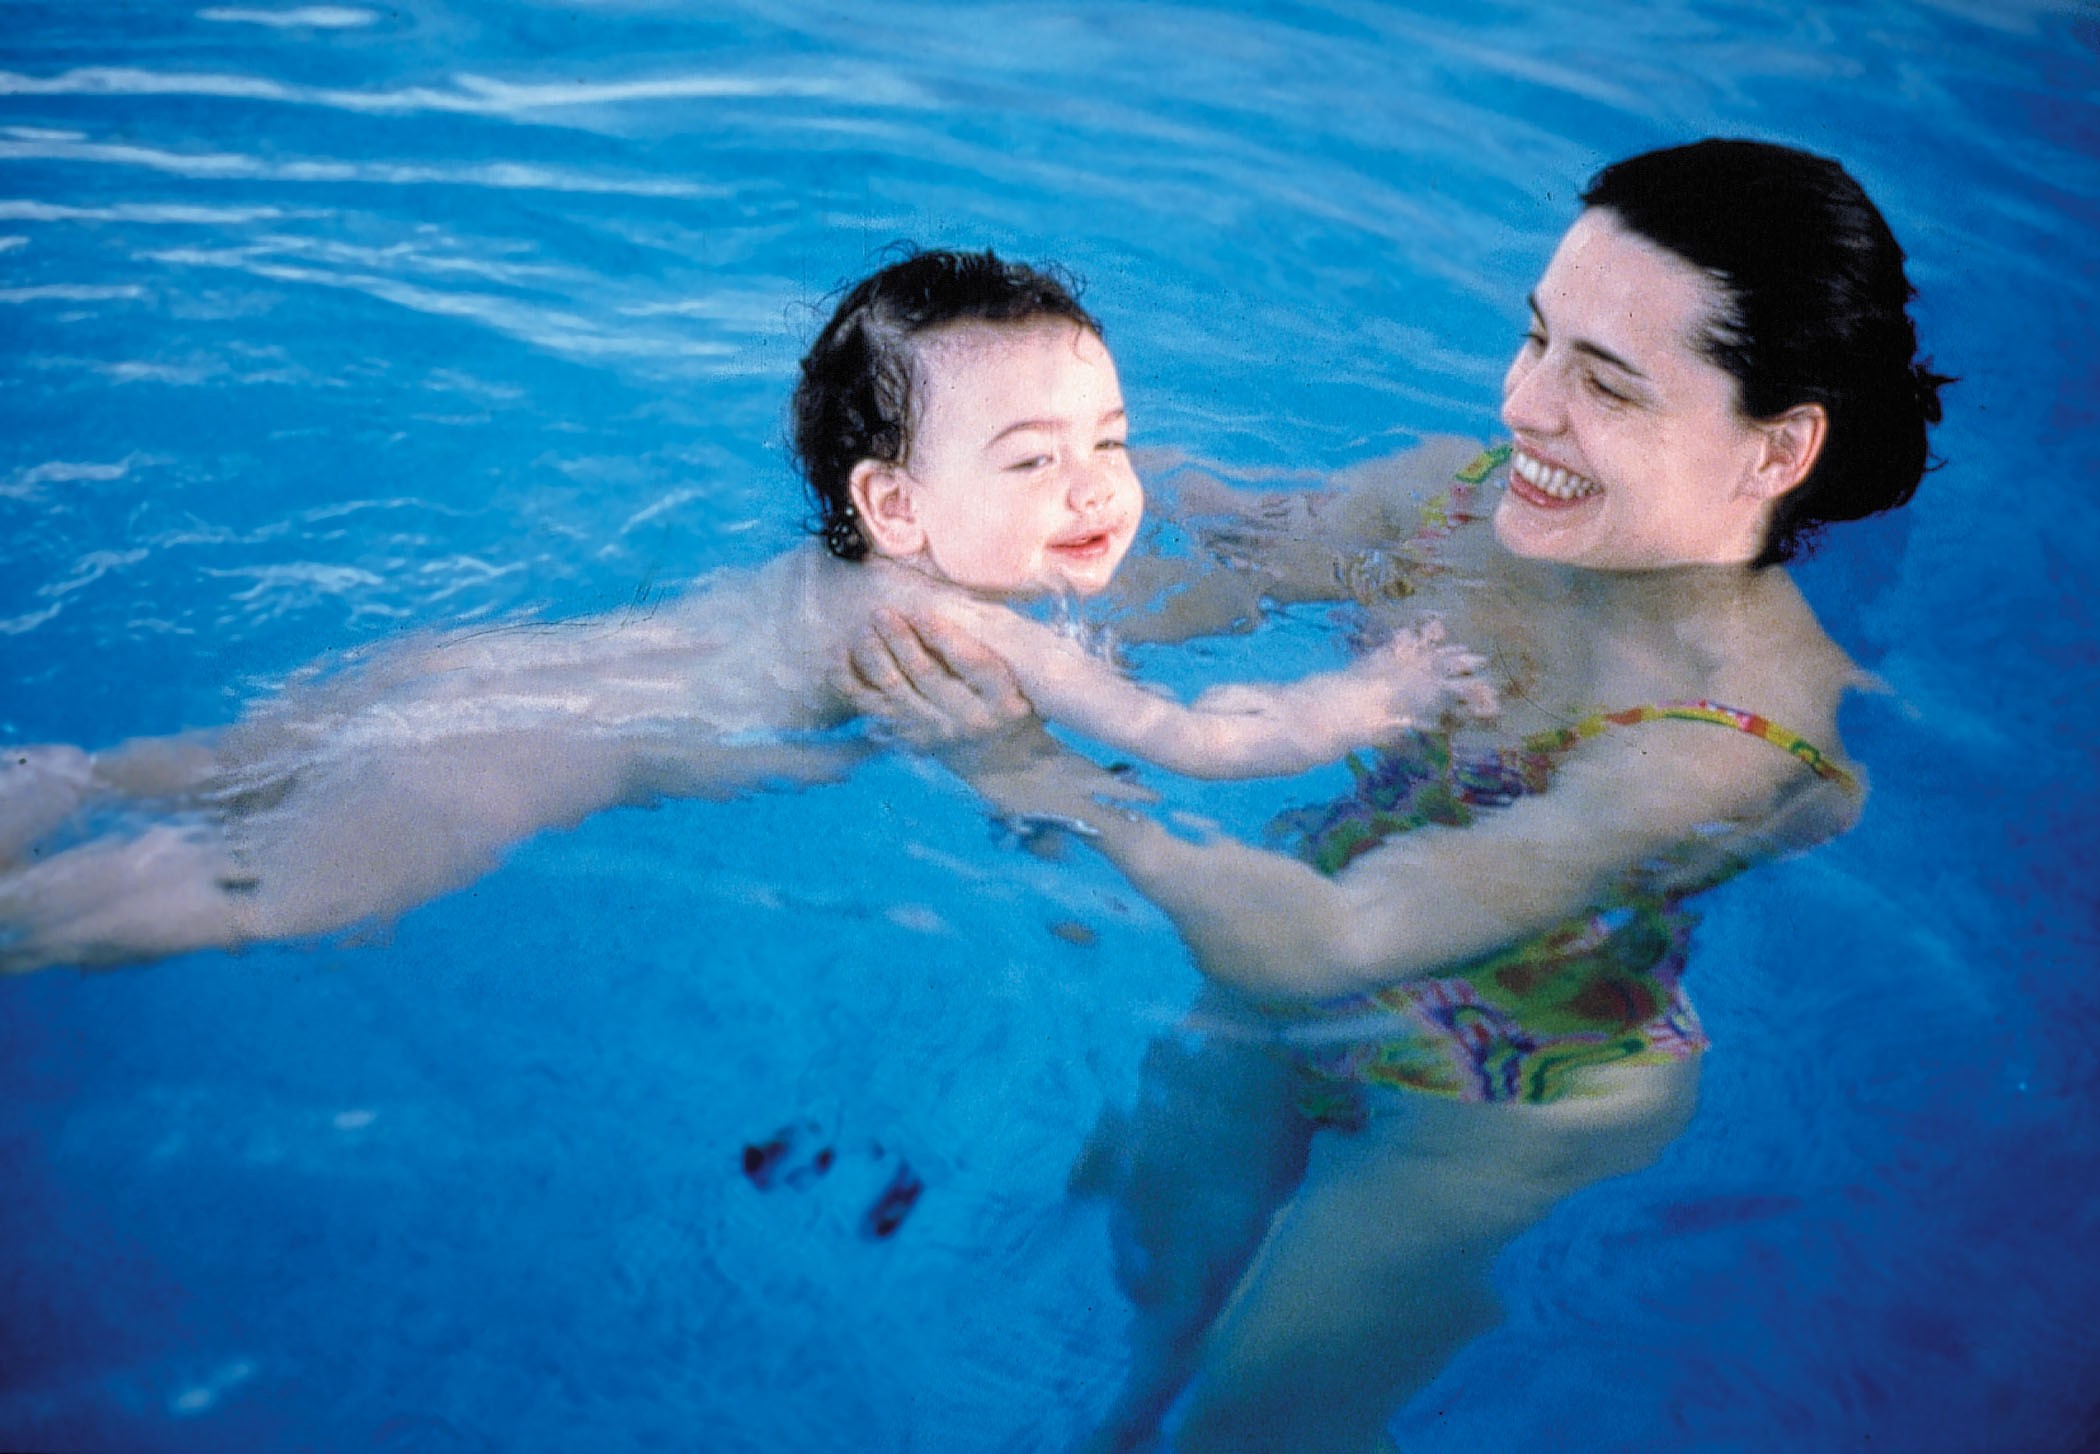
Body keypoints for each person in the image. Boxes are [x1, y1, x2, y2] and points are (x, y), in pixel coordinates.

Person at [840, 140, 1950, 1452]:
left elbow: (1335, 946)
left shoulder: (1738, 732)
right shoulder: (1454, 504)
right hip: (1269, 949)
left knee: (1245, 1425)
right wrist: (991, 531)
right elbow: (1170, 591)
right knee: (1147, 1324)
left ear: (1779, 448)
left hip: (1503, 1088)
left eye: (1603, 383)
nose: (1527, 406)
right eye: (1537, 341)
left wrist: (1045, 779)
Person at [0, 249, 1485, 973]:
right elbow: (1191, 737)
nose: (1099, 488)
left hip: (458, 670)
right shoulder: (984, 627)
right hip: (499, 762)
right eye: (1035, 462)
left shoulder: (863, 571)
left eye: (1110, 440)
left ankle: (55, 784)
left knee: (196, 771)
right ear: (897, 508)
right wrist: (1360, 705)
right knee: (255, 892)